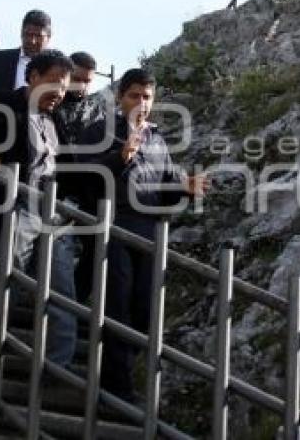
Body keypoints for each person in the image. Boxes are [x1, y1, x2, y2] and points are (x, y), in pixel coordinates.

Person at [78, 68, 209, 401]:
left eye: (147, 97)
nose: (141, 103)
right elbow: (85, 178)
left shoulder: (157, 139)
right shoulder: (99, 131)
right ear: (121, 97)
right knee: (117, 305)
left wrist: (185, 189)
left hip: (149, 231)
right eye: (134, 95)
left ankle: (125, 375)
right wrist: (121, 156)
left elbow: (162, 187)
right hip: (113, 227)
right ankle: (115, 385)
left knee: (145, 309)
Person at [0, 49, 79, 369]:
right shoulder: (0, 101)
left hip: (53, 212)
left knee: (61, 288)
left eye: (63, 87)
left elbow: (70, 166)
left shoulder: (58, 118)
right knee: (1, 281)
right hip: (13, 205)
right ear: (33, 77)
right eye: (53, 83)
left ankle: (59, 366)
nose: (58, 93)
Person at [0, 9, 51, 91]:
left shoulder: (56, 67)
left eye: (38, 36)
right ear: (21, 33)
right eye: (28, 35)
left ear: (48, 38)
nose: (32, 41)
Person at [54, 51, 104, 145]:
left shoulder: (97, 111)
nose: (81, 86)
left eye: (87, 81)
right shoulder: (49, 103)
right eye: (76, 79)